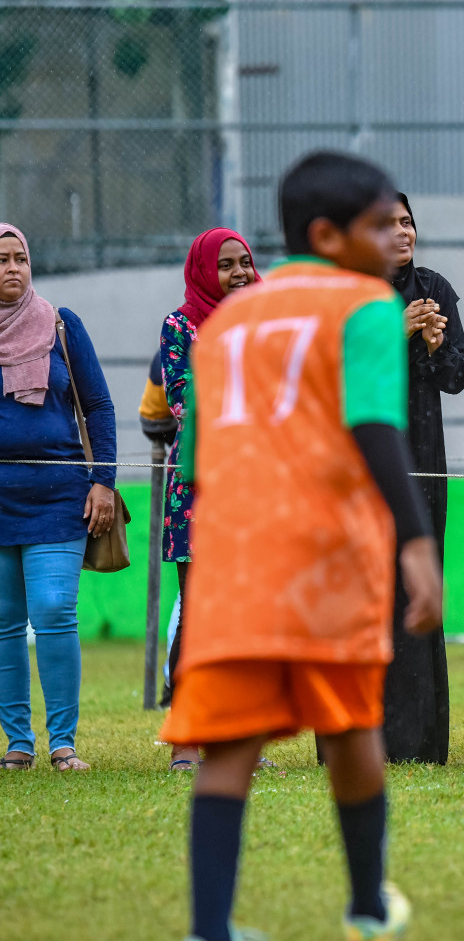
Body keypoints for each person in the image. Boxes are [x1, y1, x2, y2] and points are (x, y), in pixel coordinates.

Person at [160, 151, 444, 941]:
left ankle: (210, 928)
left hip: (234, 558)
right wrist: (416, 541)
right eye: (378, 223)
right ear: (328, 234)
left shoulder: (225, 326)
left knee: (230, 746)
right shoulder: (366, 308)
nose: (393, 235)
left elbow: (199, 459)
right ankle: (364, 906)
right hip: (329, 554)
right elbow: (376, 431)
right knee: (354, 727)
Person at [0, 223, 116, 773]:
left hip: (58, 497)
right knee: (2, 621)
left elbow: (99, 405)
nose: (12, 268)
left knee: (53, 609)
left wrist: (103, 479)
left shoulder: (63, 326)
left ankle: (62, 743)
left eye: (20, 257)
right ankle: (18, 744)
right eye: (1, 260)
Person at [158, 227, 260, 771]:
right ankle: (187, 740)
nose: (240, 273)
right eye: (226, 265)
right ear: (203, 271)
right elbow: (183, 404)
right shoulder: (180, 328)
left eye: (245, 261)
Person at [383, 193, 464, 764]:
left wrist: (438, 347)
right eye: (389, 225)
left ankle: (418, 742)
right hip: (360, 468)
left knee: (417, 594)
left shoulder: (434, 288)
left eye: (408, 222)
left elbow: (460, 375)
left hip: (422, 463)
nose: (403, 233)